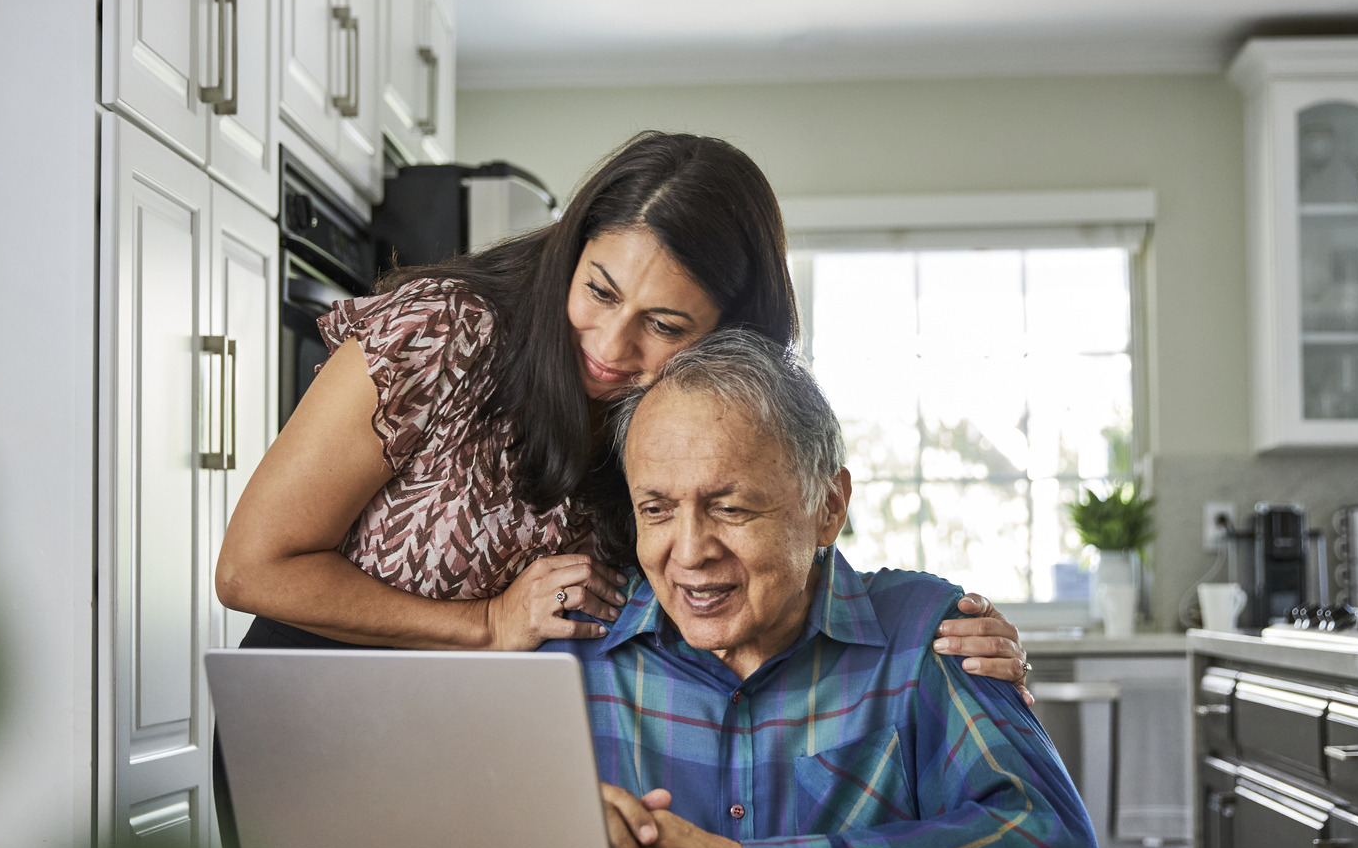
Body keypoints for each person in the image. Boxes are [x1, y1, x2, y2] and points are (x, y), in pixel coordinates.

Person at [214, 131, 1032, 685]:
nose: (609, 345)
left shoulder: (696, 420)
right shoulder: (443, 331)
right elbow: (251, 570)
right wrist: (487, 623)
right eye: (599, 290)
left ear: (730, 336)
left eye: (665, 325)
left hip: (501, 746)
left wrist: (937, 639)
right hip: (316, 711)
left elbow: (776, 551)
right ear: (573, 250)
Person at [549, 329, 1099, 848]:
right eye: (657, 509)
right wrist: (551, 839)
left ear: (828, 507)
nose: (689, 552)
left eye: (730, 508)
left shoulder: (924, 636)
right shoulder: (569, 655)